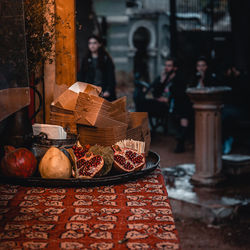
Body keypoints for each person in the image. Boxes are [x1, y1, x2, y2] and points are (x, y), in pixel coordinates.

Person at [141, 57, 192, 153]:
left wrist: (168, 99)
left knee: (183, 109)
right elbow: (155, 91)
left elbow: (180, 93)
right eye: (166, 65)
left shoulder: (179, 78)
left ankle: (181, 141)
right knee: (143, 103)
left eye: (169, 66)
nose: (166, 68)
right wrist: (161, 81)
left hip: (175, 103)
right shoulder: (165, 78)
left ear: (175, 68)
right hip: (163, 104)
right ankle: (142, 134)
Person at [78, 35, 117, 101]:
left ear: (99, 44)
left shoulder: (106, 59)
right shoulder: (86, 59)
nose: (92, 45)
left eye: (94, 43)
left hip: (103, 92)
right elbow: (82, 76)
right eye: (90, 43)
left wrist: (108, 91)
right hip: (90, 93)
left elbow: (111, 77)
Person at [221, 65, 250, 154]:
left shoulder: (243, 80)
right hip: (235, 109)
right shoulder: (237, 80)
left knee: (223, 113)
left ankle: (225, 140)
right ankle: (227, 139)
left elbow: (239, 98)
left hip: (244, 111)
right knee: (225, 115)